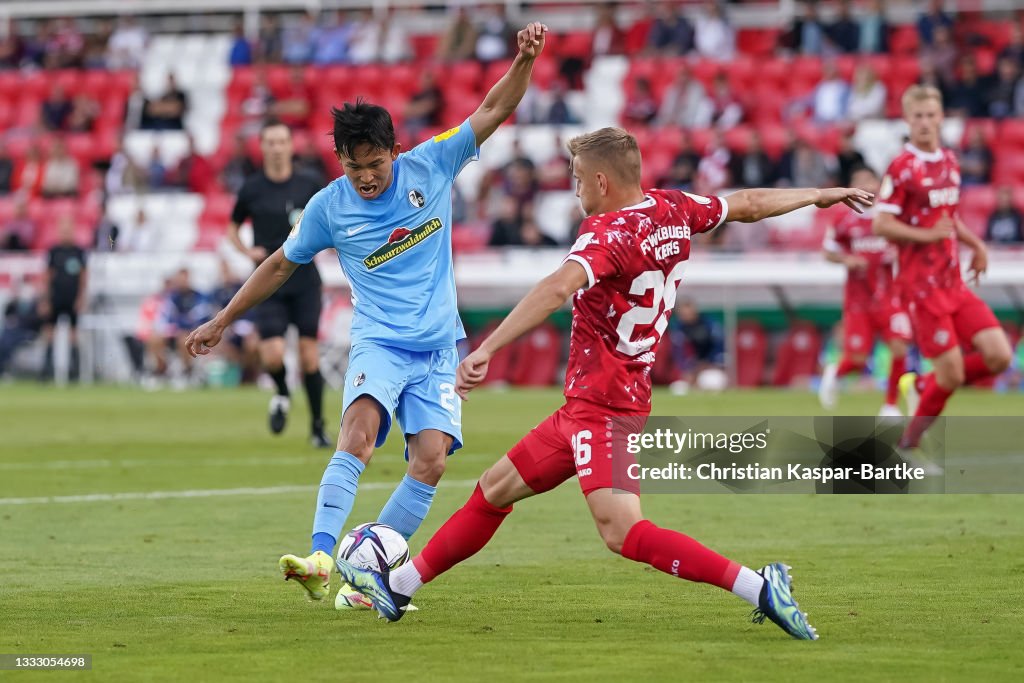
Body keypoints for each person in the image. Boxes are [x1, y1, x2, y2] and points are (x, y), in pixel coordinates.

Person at [335, 126, 873, 637]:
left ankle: (759, 586)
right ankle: (399, 587)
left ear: (600, 182)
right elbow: (749, 205)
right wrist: (820, 195)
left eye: (575, 179)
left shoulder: (607, 234)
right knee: (494, 490)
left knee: (622, 531)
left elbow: (555, 288)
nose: (573, 191)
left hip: (605, 408)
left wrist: (489, 348)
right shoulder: (674, 209)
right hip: (592, 404)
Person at [185, 22, 550, 603]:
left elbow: (493, 108)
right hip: (379, 341)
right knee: (357, 434)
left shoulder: (432, 164)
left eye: (375, 163)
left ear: (394, 151)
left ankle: (370, 571)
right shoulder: (328, 206)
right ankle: (321, 557)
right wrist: (223, 319)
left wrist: (525, 62)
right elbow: (280, 263)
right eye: (354, 168)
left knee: (429, 461)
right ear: (340, 161)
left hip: (435, 348)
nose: (367, 177)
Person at [873, 85, 1012, 467]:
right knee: (950, 376)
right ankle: (909, 443)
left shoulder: (949, 160)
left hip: (953, 281)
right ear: (907, 120)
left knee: (1000, 356)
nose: (924, 122)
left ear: (940, 118)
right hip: (922, 288)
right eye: (916, 116)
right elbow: (882, 225)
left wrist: (977, 245)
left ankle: (921, 385)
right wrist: (925, 235)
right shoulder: (901, 167)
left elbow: (948, 219)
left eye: (930, 115)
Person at [224, 119, 329, 447]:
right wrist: (246, 249)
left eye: (282, 141)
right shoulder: (252, 188)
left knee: (310, 356)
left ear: (290, 145)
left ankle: (317, 426)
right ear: (262, 146)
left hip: (305, 280)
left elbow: (333, 216)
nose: (277, 147)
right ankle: (283, 392)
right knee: (271, 356)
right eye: (270, 142)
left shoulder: (309, 183)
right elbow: (233, 226)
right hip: (267, 280)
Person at [819, 166, 911, 416]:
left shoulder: (891, 217)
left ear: (879, 185)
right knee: (857, 360)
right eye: (859, 182)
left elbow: (909, 245)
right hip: (858, 299)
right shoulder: (843, 218)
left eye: (870, 181)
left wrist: (898, 255)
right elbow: (828, 252)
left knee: (899, 347)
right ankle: (834, 372)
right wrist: (847, 260)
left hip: (890, 297)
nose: (866, 187)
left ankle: (890, 405)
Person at [40, 216, 87, 381]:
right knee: (50, 332)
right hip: (55, 297)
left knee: (73, 334)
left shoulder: (79, 252)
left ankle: (74, 372)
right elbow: (47, 276)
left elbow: (83, 276)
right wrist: (45, 299)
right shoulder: (54, 251)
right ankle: (47, 370)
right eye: (63, 230)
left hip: (72, 298)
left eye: (68, 230)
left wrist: (81, 297)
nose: (66, 233)